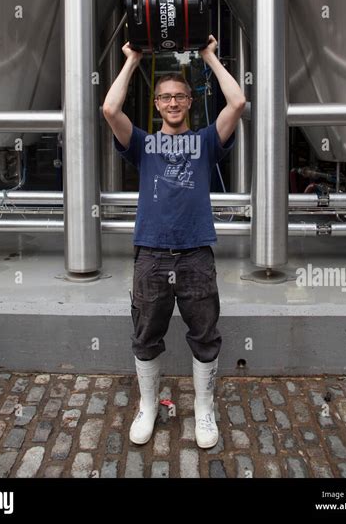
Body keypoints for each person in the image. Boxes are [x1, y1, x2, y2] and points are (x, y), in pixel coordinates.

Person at [102, 35, 246, 448]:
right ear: (157, 104)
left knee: (205, 334)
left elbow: (236, 103)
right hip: (150, 253)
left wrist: (209, 58)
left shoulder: (204, 142)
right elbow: (110, 109)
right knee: (146, 334)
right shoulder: (144, 144)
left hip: (196, 252)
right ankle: (148, 406)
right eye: (165, 97)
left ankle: (204, 409)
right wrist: (131, 60)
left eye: (180, 96)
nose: (172, 102)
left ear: (189, 101)